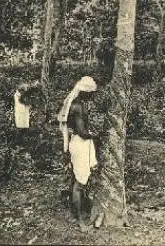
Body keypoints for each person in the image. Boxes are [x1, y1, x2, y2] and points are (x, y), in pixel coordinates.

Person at [57, 76, 99, 231]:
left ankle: (75, 210)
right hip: (80, 144)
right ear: (85, 92)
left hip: (75, 143)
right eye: (91, 93)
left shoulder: (75, 104)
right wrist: (96, 136)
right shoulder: (78, 106)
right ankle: (81, 221)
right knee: (80, 185)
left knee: (76, 179)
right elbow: (82, 132)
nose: (92, 95)